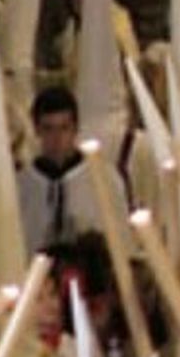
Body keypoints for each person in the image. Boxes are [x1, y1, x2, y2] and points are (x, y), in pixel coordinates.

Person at [17, 86, 106, 256]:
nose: (57, 138)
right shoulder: (21, 185)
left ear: (75, 128)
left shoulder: (103, 181)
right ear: (37, 130)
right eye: (48, 129)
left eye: (64, 128)